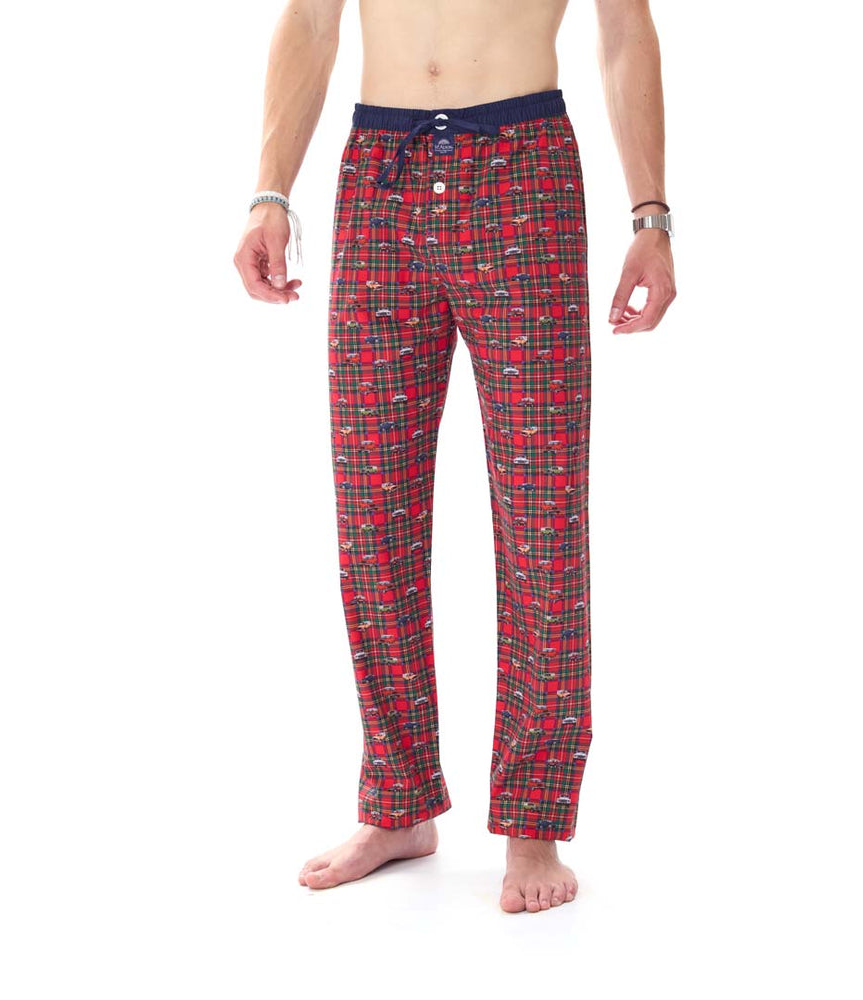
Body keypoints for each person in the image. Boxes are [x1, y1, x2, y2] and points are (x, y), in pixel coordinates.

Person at [232, 0, 675, 915]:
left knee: (541, 513)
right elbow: (311, 21)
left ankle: (533, 821)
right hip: (380, 171)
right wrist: (270, 192)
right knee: (373, 509)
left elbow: (623, 28)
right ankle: (397, 803)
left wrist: (651, 215)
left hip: (524, 168)